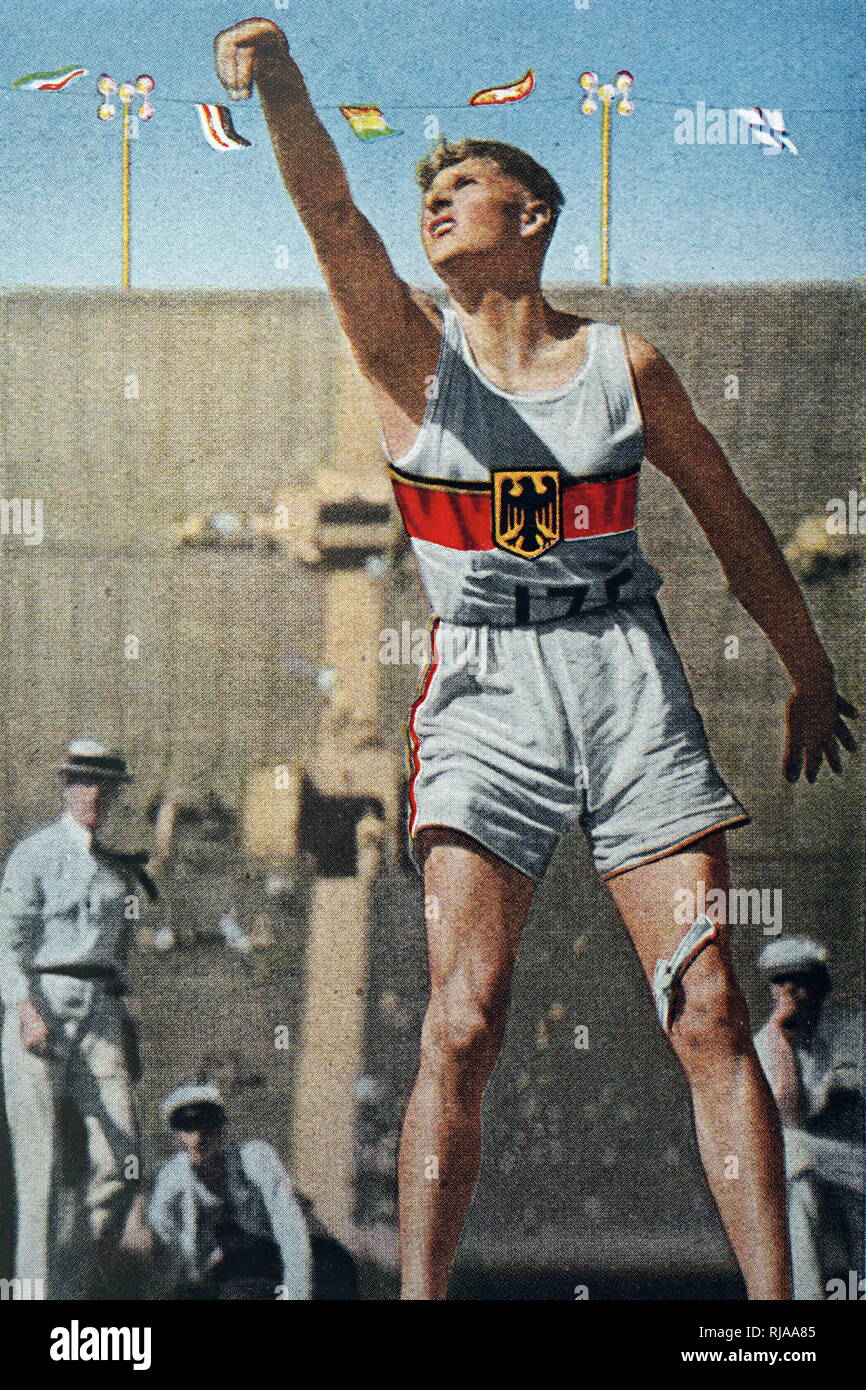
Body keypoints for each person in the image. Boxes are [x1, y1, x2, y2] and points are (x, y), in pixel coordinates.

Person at [212, 19, 857, 1300]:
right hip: (486, 690)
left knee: (710, 1011)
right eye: (429, 193)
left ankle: (778, 1329)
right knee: (463, 1017)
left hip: (626, 674)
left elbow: (729, 521)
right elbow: (335, 214)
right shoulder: (409, 355)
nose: (438, 201)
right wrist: (285, 83)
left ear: (535, 213)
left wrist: (806, 668)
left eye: (465, 186)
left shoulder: (624, 363)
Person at [0, 739, 154, 1298]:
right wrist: (24, 1006)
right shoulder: (33, 854)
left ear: (111, 791)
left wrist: (128, 1019)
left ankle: (70, 1285)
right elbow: (6, 942)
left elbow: (120, 957)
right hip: (39, 1011)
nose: (90, 793)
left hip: (100, 1017)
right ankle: (33, 1298)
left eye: (100, 784)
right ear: (66, 788)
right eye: (80, 782)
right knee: (38, 1176)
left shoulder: (117, 873)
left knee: (122, 1160)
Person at [753, 938, 864, 1300]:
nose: (789, 990)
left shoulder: (853, 1028)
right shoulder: (765, 1043)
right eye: (779, 981)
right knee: (794, 1173)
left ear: (820, 984)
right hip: (808, 1160)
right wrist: (782, 1041)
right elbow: (792, 1113)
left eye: (800, 980)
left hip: (859, 1155)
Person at [147, 1084, 311, 1299]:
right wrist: (201, 1259)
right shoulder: (173, 1175)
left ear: (220, 1128)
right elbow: (161, 1223)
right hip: (227, 1268)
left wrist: (296, 1294)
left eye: (206, 1126)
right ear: (178, 1134)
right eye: (188, 1128)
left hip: (280, 1254)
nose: (198, 1138)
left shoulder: (254, 1157)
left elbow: (290, 1228)